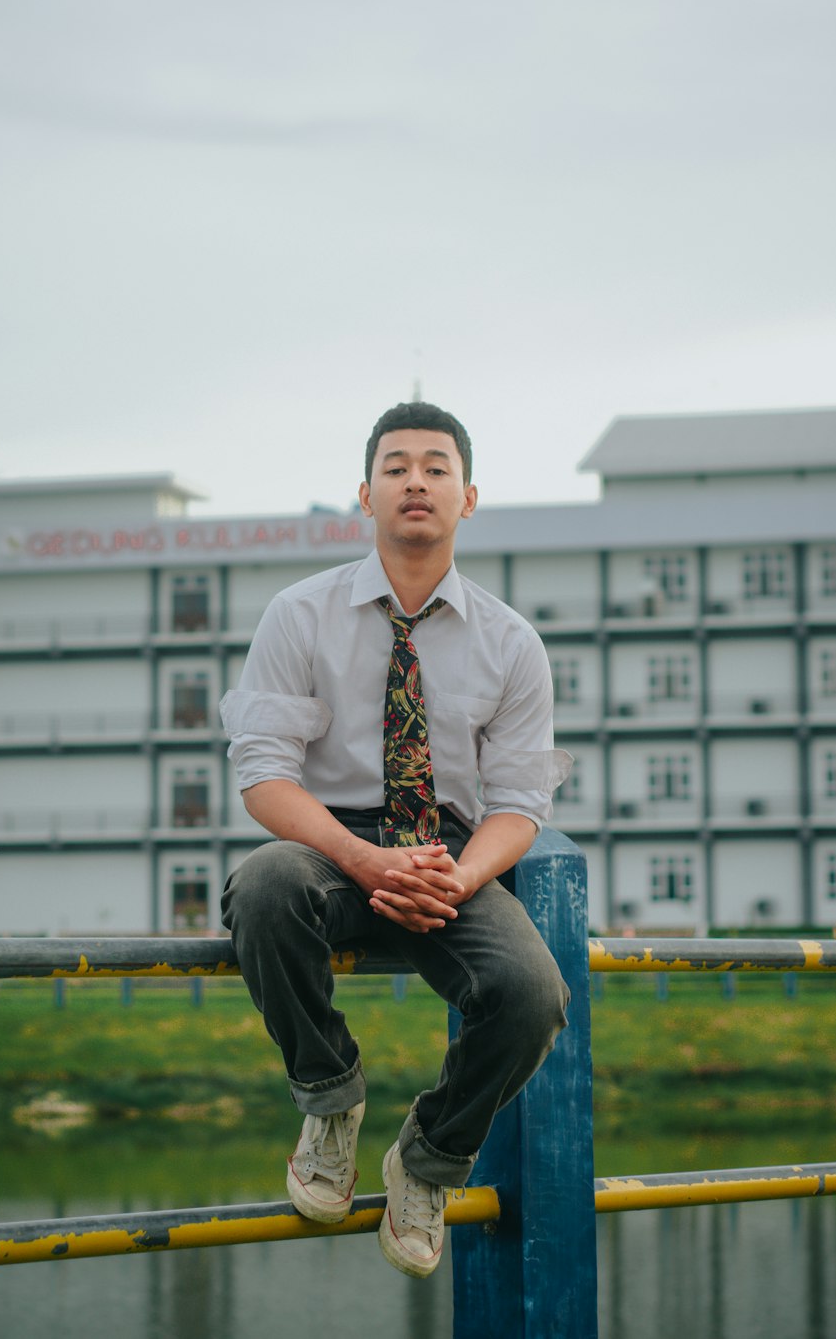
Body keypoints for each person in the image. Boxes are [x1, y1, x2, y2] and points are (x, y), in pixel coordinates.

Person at [220, 400, 573, 1279]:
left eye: (436, 467)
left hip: (449, 853)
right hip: (327, 845)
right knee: (264, 887)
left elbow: (521, 800)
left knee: (534, 994)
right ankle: (331, 1098)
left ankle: (426, 1159)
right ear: (366, 496)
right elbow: (265, 775)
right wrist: (364, 858)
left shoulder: (511, 642)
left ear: (469, 496)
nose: (416, 480)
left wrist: (456, 879)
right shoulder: (298, 615)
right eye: (396, 466)